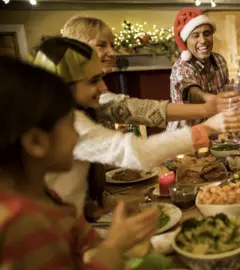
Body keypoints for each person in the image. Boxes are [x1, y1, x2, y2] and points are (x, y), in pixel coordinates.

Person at [33, 37, 240, 216]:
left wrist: (97, 206)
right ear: (60, 86)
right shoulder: (68, 124)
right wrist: (207, 129)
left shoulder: (68, 115)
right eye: (93, 81)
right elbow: (138, 153)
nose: (104, 87)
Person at [0, 56, 158, 269]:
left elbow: (79, 235)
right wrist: (114, 247)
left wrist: (114, 224)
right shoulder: (24, 225)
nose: (79, 135)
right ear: (36, 142)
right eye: (71, 125)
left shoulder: (43, 193)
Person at [61, 15, 221, 129]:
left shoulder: (219, 61)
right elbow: (137, 109)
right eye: (102, 45)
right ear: (77, 48)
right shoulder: (65, 98)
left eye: (112, 45)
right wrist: (208, 108)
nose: (112, 52)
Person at [167, 7, 240, 131]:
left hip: (213, 131)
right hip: (184, 136)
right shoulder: (182, 66)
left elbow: (226, 88)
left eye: (206, 34)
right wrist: (211, 99)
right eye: (195, 36)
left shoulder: (219, 60)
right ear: (186, 41)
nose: (203, 40)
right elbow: (192, 92)